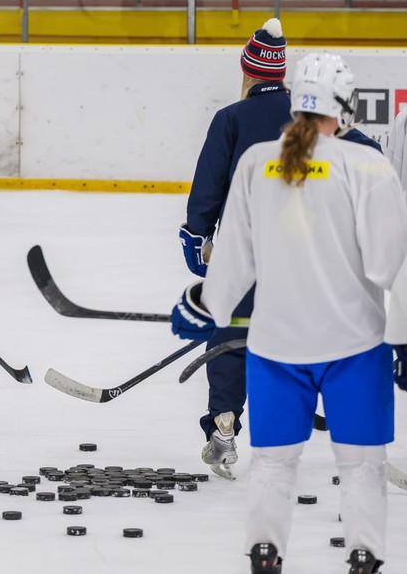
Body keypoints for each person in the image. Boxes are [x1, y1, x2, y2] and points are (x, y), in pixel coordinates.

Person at [171, 53, 404, 574]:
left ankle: (265, 555)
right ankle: (363, 558)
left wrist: (205, 308)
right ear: (344, 107)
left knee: (273, 466)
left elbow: (232, 259)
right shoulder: (368, 164)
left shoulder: (256, 160)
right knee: (362, 467)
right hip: (356, 350)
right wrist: (406, 337)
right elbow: (397, 265)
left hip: (274, 349)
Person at [178, 19, 381, 480]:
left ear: (249, 72)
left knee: (231, 336)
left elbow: (208, 188)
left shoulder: (230, 118)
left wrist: (195, 237)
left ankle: (224, 426)